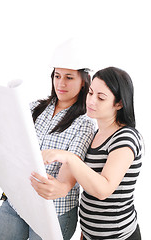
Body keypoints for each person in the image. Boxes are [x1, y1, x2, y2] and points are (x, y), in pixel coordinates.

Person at [0, 40, 95, 240]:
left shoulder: (84, 123)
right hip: (18, 200)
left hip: (54, 211)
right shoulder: (34, 109)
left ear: (84, 80)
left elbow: (72, 166)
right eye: (57, 76)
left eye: (69, 77)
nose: (61, 83)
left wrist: (62, 186)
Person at [35, 67, 143, 240]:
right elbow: (87, 184)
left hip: (117, 236)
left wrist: (68, 157)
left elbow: (103, 190)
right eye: (90, 93)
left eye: (100, 98)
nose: (91, 101)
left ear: (119, 103)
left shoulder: (126, 138)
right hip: (90, 234)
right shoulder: (95, 134)